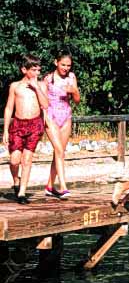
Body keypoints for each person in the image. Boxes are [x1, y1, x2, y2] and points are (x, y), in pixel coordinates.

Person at [3, 54, 48, 204]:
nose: (37, 73)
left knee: (27, 160)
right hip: (18, 125)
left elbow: (45, 105)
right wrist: (5, 131)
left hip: (34, 125)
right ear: (24, 70)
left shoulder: (41, 85)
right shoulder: (15, 86)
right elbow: (9, 108)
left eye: (38, 70)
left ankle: (22, 193)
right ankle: (16, 180)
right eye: (34, 70)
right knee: (15, 160)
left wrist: (36, 88)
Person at [43, 50, 80, 198]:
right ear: (56, 62)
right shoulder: (48, 79)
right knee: (59, 150)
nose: (66, 68)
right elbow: (43, 101)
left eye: (68, 65)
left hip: (66, 116)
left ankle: (49, 186)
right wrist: (44, 117)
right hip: (51, 116)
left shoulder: (71, 77)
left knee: (60, 152)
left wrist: (74, 90)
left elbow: (77, 100)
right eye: (63, 64)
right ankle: (63, 186)